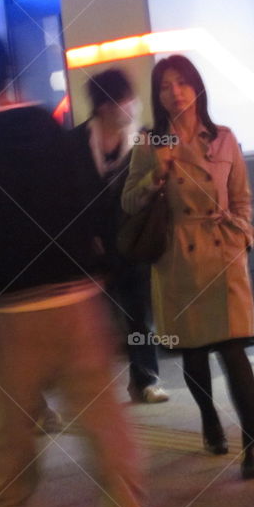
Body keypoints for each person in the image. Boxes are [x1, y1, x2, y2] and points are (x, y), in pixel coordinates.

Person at [0, 33, 143, 507]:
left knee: (8, 416)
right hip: (76, 290)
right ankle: (121, 501)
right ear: (12, 70)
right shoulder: (46, 124)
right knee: (99, 408)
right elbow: (81, 199)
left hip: (13, 304)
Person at [122, 55, 254, 479]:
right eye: (165, 86)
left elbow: (242, 197)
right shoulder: (149, 143)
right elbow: (128, 200)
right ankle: (208, 418)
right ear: (158, 96)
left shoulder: (223, 139)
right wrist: (156, 176)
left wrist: (242, 235)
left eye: (182, 82)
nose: (175, 92)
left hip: (224, 254)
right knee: (196, 350)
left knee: (235, 349)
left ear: (197, 87)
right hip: (179, 258)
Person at [69, 69, 168, 404]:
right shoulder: (76, 143)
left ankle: (145, 378)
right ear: (104, 106)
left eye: (131, 98)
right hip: (89, 250)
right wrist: (85, 236)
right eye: (124, 99)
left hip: (132, 244)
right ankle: (93, 385)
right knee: (93, 321)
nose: (132, 105)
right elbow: (66, 199)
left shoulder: (143, 141)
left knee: (138, 313)